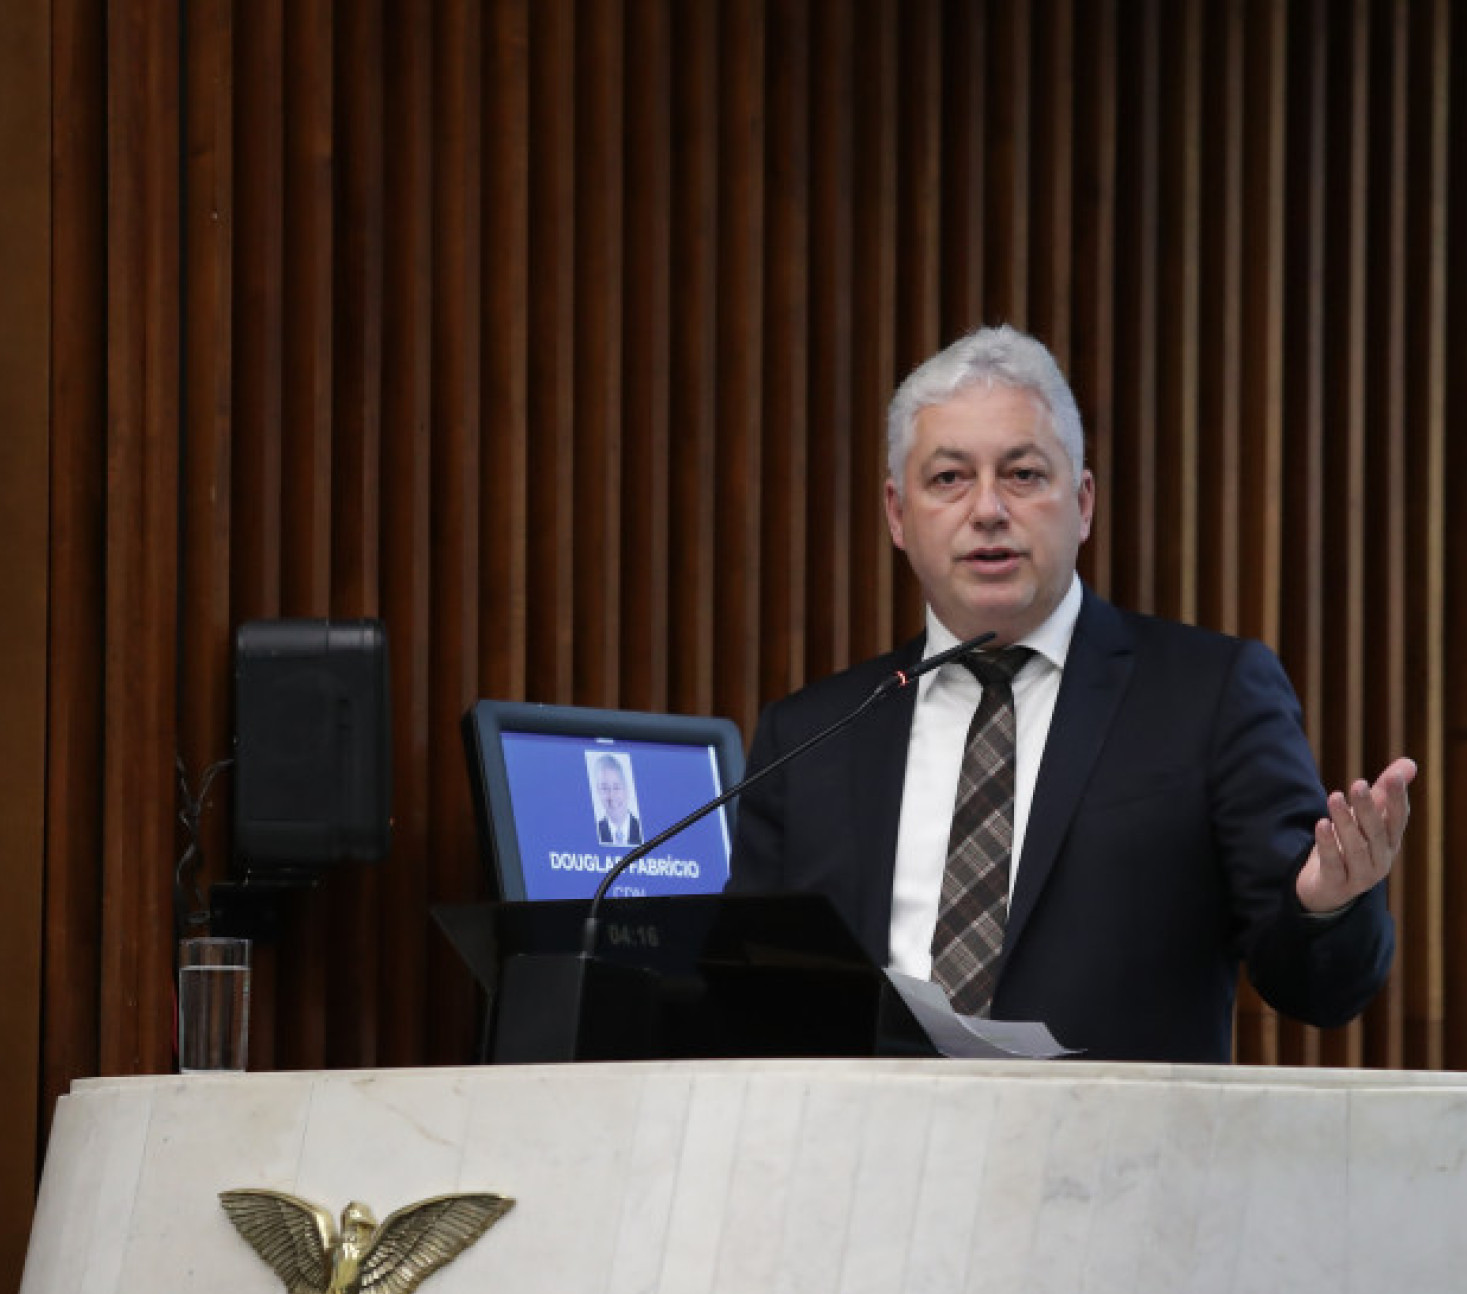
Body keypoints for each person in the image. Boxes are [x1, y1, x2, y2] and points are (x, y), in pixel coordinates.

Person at [727, 325, 1417, 1062]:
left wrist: (1327, 906)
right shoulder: (809, 737)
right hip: (869, 1162)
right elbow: (745, 999)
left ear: (1082, 502)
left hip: (1114, 1164)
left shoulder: (1208, 697)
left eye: (1022, 475)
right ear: (898, 515)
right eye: (948, 478)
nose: (987, 509)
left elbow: (1316, 989)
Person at [592, 753, 643, 846]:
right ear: (598, 792)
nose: (612, 796)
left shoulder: (642, 829)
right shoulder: (594, 830)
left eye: (616, 787)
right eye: (604, 788)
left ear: (626, 789)